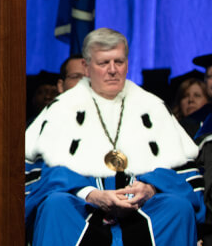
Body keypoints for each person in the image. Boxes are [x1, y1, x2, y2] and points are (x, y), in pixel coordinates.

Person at [25, 28, 204, 245]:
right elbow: (35, 177)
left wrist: (149, 188)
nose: (112, 70)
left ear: (127, 64)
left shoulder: (152, 107)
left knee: (178, 208)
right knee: (56, 205)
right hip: (80, 206)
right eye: (103, 63)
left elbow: (185, 174)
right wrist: (90, 194)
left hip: (144, 207)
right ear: (87, 66)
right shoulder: (59, 110)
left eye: (118, 62)